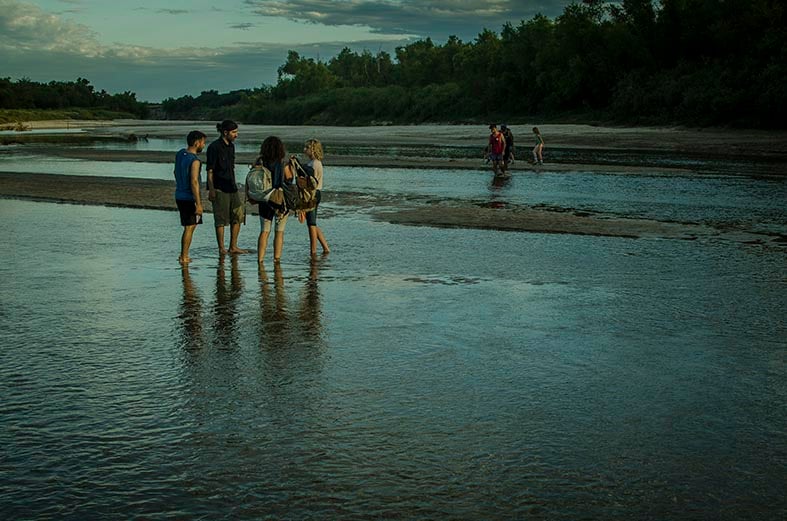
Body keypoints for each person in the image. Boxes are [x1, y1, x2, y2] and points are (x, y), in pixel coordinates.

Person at [250, 136, 294, 263]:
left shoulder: (260, 161)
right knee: (279, 232)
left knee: (264, 231)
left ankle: (260, 259)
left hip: (264, 199)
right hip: (280, 200)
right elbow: (289, 179)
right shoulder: (283, 162)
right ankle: (276, 260)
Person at [206, 120, 248, 255]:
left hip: (232, 186)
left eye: (236, 131)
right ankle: (221, 249)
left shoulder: (231, 147)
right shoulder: (214, 147)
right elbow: (210, 170)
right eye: (234, 132)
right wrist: (211, 189)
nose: (236, 135)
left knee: (238, 215)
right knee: (220, 219)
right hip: (219, 187)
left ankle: (233, 246)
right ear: (225, 132)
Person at [173, 130, 207, 264]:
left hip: (179, 194)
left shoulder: (180, 154)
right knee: (190, 227)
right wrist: (198, 203)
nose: (204, 145)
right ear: (197, 142)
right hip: (188, 197)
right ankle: (184, 256)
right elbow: (194, 181)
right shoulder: (195, 161)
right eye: (203, 143)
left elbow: (175, 172)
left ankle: (184, 255)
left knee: (189, 226)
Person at [298, 139, 330, 256]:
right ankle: (325, 248)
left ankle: (313, 251)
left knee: (311, 223)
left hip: (313, 194)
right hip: (314, 193)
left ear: (312, 149)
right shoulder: (313, 162)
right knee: (312, 222)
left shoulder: (315, 164)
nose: (304, 150)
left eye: (306, 148)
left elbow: (312, 183)